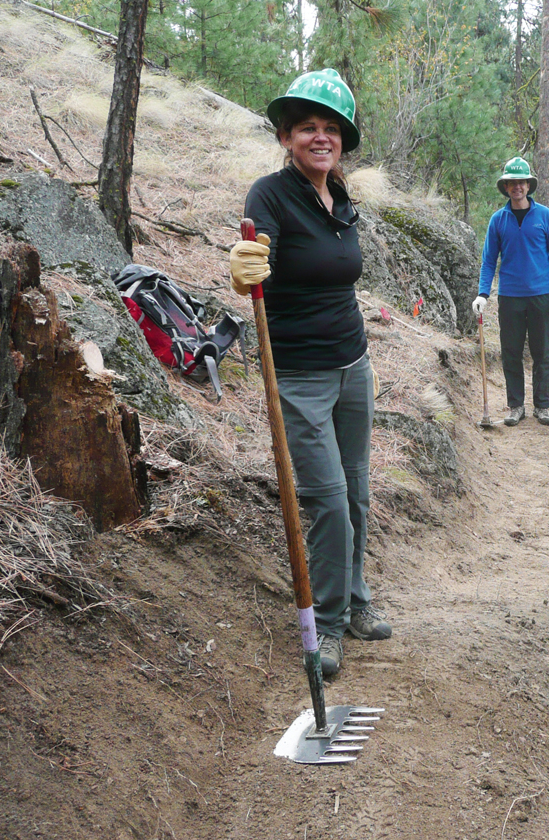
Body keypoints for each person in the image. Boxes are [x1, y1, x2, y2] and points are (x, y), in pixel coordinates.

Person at [228, 68, 389, 679]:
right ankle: (324, 621)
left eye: (330, 129)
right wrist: (242, 269)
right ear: (286, 136)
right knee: (325, 501)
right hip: (297, 376)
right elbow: (253, 257)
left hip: (354, 367)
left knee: (357, 493)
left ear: (342, 140)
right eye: (306, 129)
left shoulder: (340, 197)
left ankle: (354, 603)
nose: (320, 138)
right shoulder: (269, 194)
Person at [471, 157, 549, 426]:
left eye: (521, 182)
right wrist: (483, 293)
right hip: (510, 296)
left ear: (528, 185)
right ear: (506, 186)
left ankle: (542, 406)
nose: (517, 187)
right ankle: (515, 406)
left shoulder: (544, 216)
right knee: (511, 351)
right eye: (512, 183)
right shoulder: (498, 220)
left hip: (541, 295)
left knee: (542, 351)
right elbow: (489, 260)